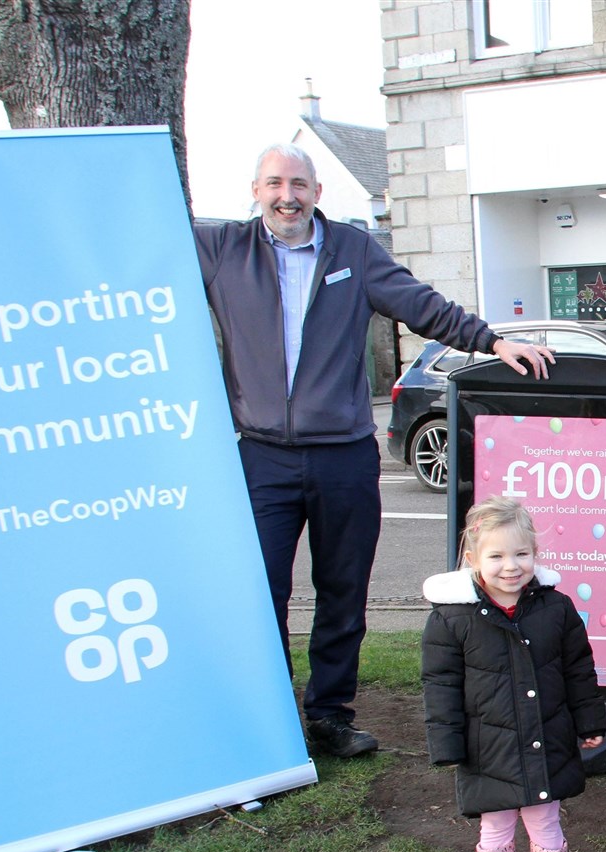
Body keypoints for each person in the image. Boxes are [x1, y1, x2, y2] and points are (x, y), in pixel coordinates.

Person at [195, 144, 554, 758]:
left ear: (317, 192)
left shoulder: (353, 252)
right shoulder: (222, 249)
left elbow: (422, 305)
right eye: (276, 184)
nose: (289, 196)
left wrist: (492, 341)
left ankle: (330, 715)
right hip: (259, 455)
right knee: (260, 593)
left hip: (343, 455)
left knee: (343, 591)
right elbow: (141, 252)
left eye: (300, 184)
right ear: (255, 190)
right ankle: (269, 722)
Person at [421, 497, 605, 852]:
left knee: (545, 820)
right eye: (497, 556)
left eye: (522, 554)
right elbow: (440, 685)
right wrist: (447, 744)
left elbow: (579, 668)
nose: (511, 566)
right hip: (488, 746)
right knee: (496, 824)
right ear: (472, 559)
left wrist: (589, 721)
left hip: (546, 736)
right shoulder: (450, 618)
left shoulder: (556, 609)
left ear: (535, 555)